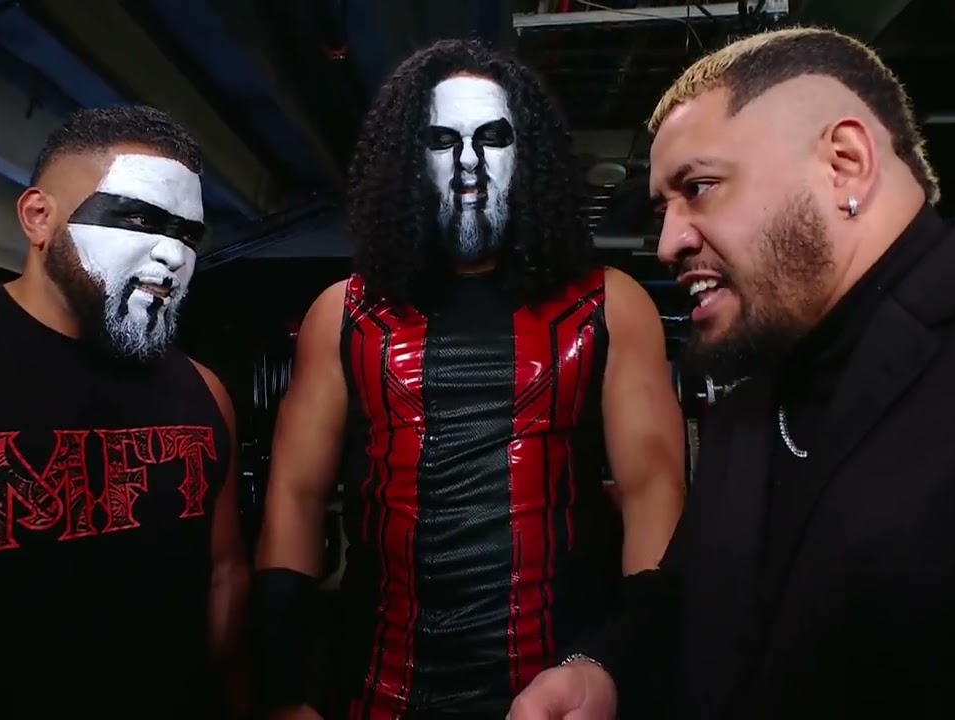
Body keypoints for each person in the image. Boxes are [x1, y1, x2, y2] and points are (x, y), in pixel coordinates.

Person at [510, 27, 955, 719]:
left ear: (844, 164)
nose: (671, 241)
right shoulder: (758, 383)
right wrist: (604, 672)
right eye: (662, 210)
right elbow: (687, 595)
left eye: (700, 188)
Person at [252, 39, 686, 719]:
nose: (468, 163)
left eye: (492, 137)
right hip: (375, 691)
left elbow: (653, 494)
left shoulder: (610, 304)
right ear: (409, 159)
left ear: (527, 154)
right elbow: (296, 495)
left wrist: (616, 665)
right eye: (441, 140)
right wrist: (281, 692)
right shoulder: (343, 313)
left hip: (555, 693)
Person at [0, 106, 249, 717]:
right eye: (139, 219)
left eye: (189, 235)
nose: (172, 254)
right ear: (38, 217)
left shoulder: (204, 391)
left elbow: (223, 573)